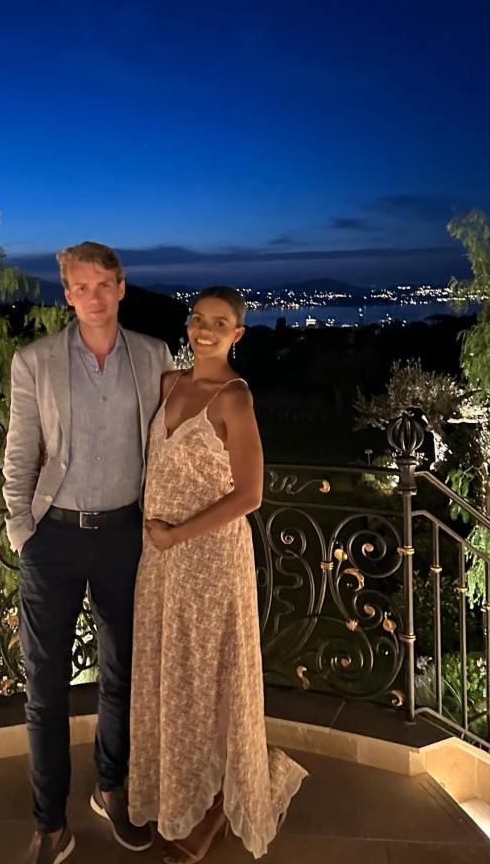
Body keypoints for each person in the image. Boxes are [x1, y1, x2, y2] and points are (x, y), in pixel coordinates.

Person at [3, 241, 174, 864]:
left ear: (121, 288)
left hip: (126, 536)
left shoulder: (153, 356)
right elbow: (20, 452)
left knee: (122, 676)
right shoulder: (35, 361)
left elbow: (170, 445)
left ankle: (111, 788)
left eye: (104, 284)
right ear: (68, 294)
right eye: (82, 286)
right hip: (53, 538)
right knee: (44, 688)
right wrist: (23, 532)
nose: (94, 296)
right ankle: (51, 824)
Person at [128, 286, 307, 862]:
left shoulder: (235, 399)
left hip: (209, 562)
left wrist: (177, 535)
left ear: (238, 334)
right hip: (160, 563)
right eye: (198, 319)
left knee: (208, 681)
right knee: (171, 677)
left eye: (220, 323)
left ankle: (211, 807)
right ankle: (177, 791)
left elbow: (250, 495)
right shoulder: (168, 384)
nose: (205, 331)